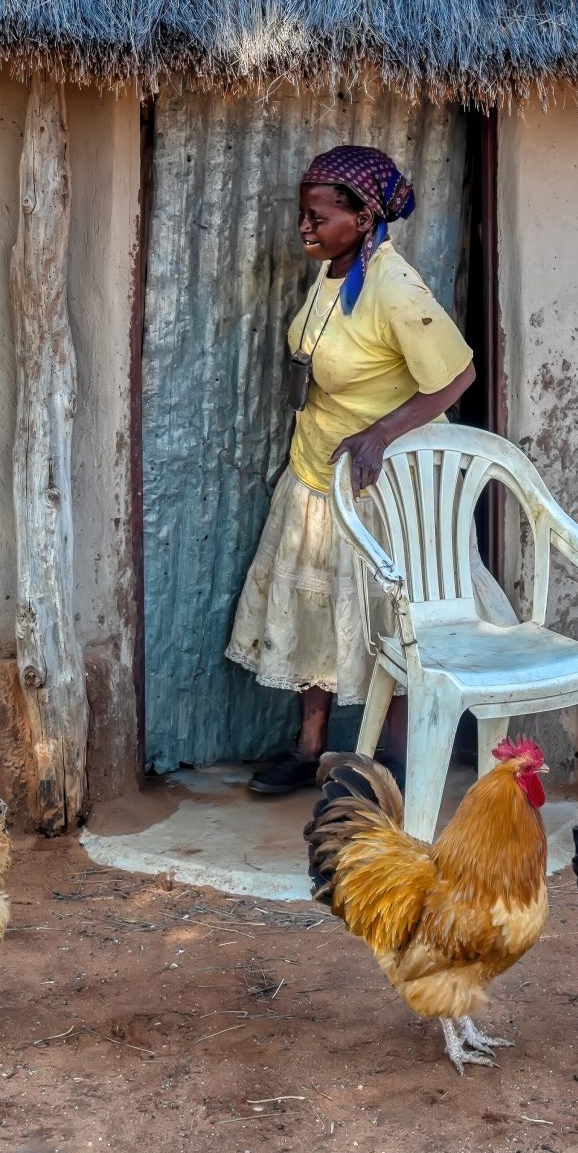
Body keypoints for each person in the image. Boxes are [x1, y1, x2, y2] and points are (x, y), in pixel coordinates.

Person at [225, 143, 495, 796]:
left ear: (364, 215)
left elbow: (460, 374)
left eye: (319, 216)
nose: (305, 227)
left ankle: (390, 766)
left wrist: (381, 433)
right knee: (314, 610)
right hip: (319, 471)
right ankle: (308, 749)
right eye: (304, 214)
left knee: (388, 621)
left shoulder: (394, 287)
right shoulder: (333, 272)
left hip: (381, 485)